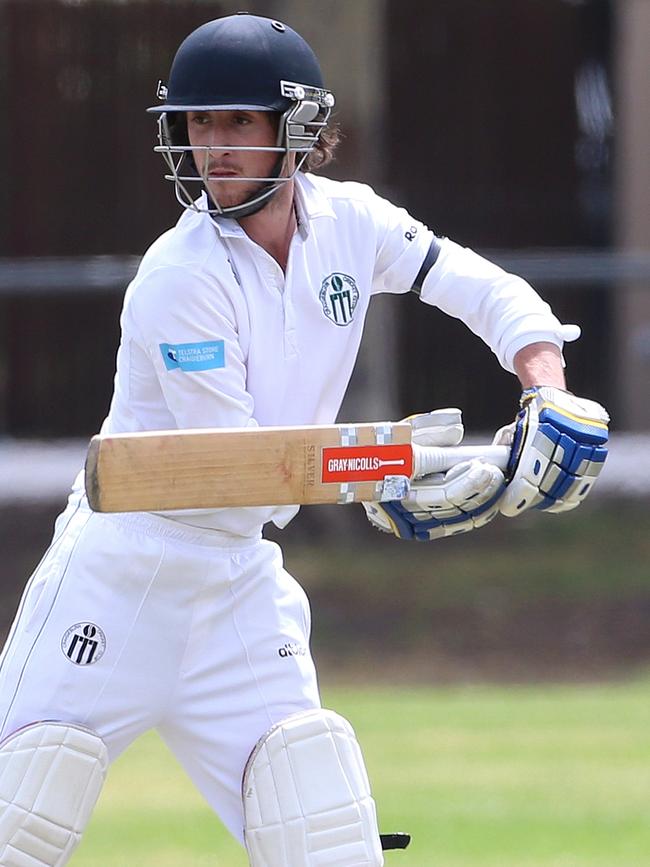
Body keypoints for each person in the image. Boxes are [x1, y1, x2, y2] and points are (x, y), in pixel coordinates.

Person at [0, 12, 609, 867]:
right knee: (18, 821)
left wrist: (547, 385)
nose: (213, 146)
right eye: (199, 123)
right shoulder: (179, 278)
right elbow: (239, 469)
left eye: (238, 122)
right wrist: (396, 468)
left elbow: (478, 286)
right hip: (121, 574)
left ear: (298, 132)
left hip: (237, 588)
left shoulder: (352, 224)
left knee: (322, 834)